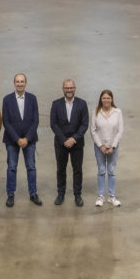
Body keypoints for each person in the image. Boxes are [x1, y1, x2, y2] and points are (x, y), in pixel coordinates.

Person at [1, 72, 42, 208]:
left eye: (22, 81)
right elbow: (6, 122)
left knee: (31, 167)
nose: (20, 84)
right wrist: (17, 139)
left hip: (29, 140)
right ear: (14, 83)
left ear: (26, 83)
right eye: (17, 81)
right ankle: (10, 195)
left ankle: (33, 194)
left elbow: (35, 120)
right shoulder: (7, 99)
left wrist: (27, 138)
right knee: (12, 167)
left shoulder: (32, 98)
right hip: (12, 140)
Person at [49, 78, 89, 207]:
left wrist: (74, 139)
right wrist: (64, 139)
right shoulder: (56, 104)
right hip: (61, 143)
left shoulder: (82, 104)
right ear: (63, 89)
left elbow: (84, 124)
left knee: (77, 169)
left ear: (75, 88)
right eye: (67, 88)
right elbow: (53, 124)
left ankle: (77, 194)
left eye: (71, 87)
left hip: (77, 143)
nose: (69, 90)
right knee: (61, 169)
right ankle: (61, 193)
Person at [90, 89, 124, 207]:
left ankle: (111, 196)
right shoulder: (95, 112)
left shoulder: (117, 112)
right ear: (101, 99)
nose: (106, 100)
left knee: (111, 171)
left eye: (108, 98)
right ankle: (100, 196)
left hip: (113, 147)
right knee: (101, 170)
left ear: (112, 99)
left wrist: (113, 146)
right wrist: (100, 145)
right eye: (104, 98)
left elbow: (120, 131)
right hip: (100, 147)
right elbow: (93, 130)